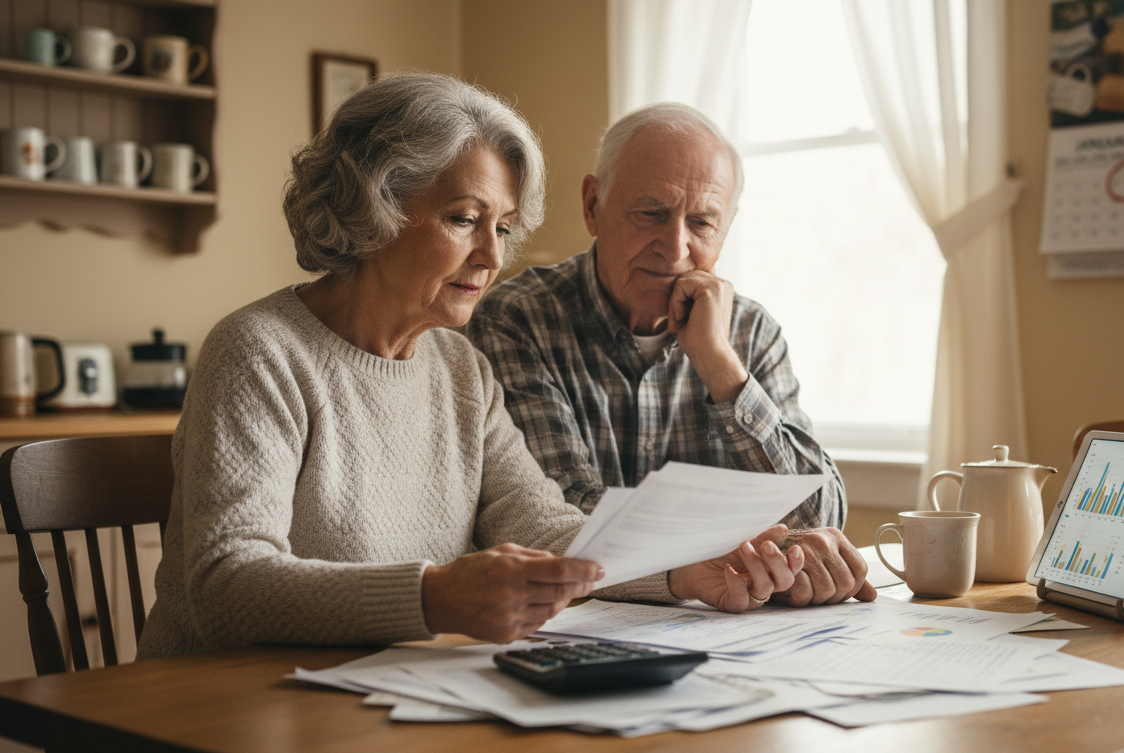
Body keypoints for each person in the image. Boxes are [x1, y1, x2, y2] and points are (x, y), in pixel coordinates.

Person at [137, 75, 810, 661]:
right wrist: (432, 597)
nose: (493, 256)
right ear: (376, 207)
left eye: (505, 228)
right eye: (464, 219)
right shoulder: (258, 352)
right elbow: (227, 586)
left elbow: (544, 528)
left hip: (371, 701)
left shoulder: (459, 368)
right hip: (220, 710)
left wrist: (681, 572)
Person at [467, 103, 876, 607]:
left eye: (702, 222)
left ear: (727, 228)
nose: (675, 246)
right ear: (593, 205)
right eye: (651, 213)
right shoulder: (517, 321)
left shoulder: (750, 333)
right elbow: (560, 514)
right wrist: (752, 552)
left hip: (728, 641)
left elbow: (821, 517)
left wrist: (721, 367)